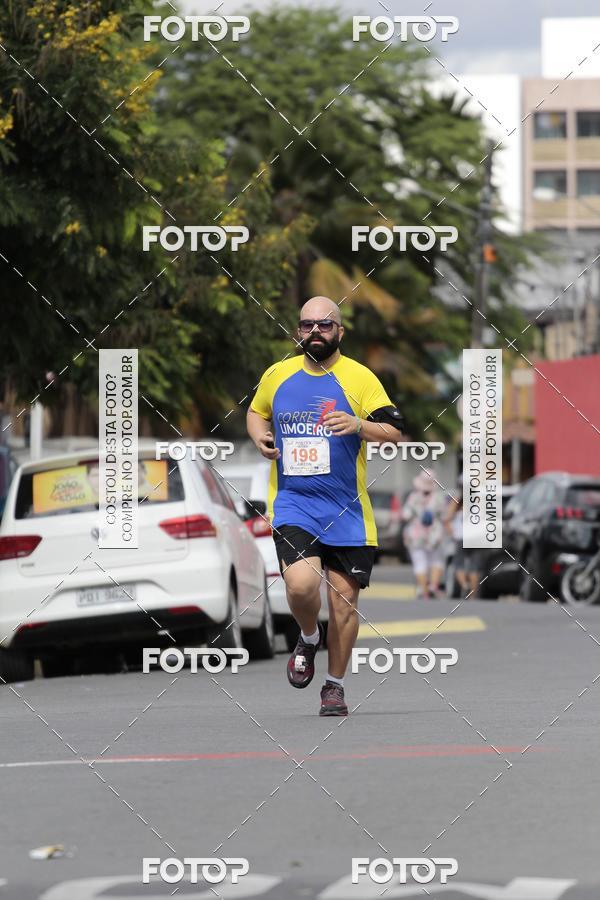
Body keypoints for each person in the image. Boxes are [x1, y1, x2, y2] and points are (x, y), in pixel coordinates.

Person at [246, 296, 404, 716]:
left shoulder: (360, 378)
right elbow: (256, 412)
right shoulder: (278, 374)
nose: (315, 332)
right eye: (307, 325)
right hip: (295, 504)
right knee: (300, 585)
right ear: (298, 331)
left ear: (339, 331)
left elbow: (396, 432)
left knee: (343, 603)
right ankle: (308, 635)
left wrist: (358, 424)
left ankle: (334, 686)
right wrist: (259, 436)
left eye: (325, 325)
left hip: (348, 511)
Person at [402, 469, 446, 599]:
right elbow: (443, 515)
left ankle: (424, 592)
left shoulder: (413, 497)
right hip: (434, 534)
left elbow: (406, 515)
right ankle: (433, 586)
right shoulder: (438, 497)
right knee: (437, 561)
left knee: (419, 563)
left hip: (416, 534)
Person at [443, 492, 481, 599]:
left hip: (461, 538)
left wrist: (452, 533)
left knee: (458, 565)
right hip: (475, 538)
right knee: (474, 568)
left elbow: (446, 520)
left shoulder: (458, 505)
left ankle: (465, 585)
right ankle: (473, 595)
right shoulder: (478, 504)